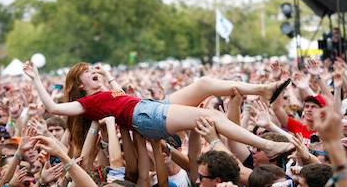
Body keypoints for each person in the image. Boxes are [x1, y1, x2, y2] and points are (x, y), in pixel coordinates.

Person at [23, 61, 293, 158]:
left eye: (93, 69)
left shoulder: (105, 92)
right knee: (211, 115)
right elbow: (52, 107)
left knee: (205, 83)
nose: (94, 72)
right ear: (79, 86)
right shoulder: (86, 102)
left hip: (150, 106)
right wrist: (36, 78)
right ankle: (266, 146)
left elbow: (123, 97)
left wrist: (108, 77)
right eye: (87, 73)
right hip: (144, 116)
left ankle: (263, 89)